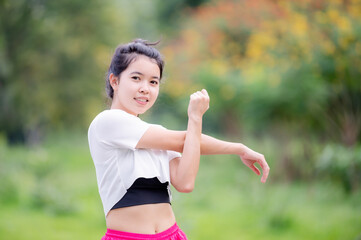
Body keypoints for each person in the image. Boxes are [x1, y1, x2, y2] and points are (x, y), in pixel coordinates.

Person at [88, 39, 270, 240]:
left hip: (171, 235)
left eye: (153, 82)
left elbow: (185, 182)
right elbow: (185, 140)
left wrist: (234, 145)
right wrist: (197, 120)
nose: (145, 88)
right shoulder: (107, 122)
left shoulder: (158, 136)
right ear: (115, 81)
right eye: (136, 78)